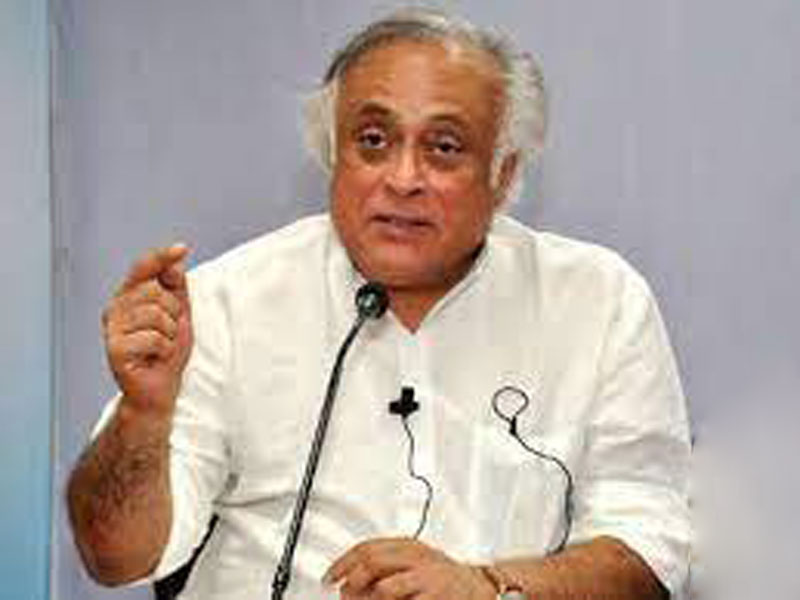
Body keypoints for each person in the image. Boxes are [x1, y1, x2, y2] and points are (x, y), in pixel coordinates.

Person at [67, 8, 691, 600]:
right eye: (372, 141)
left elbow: (648, 549)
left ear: (503, 173)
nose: (403, 179)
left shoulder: (597, 302)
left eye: (443, 147)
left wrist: (487, 587)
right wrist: (143, 415)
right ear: (334, 154)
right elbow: (116, 559)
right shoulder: (227, 303)